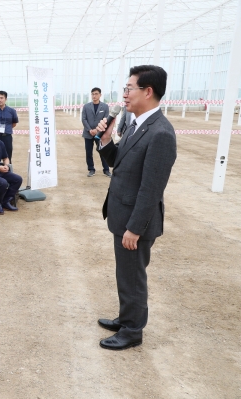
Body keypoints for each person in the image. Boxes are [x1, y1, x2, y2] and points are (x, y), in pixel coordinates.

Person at [95, 65, 177, 351]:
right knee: (125, 273)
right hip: (122, 214)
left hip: (135, 222)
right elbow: (120, 161)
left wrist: (134, 228)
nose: (125, 95)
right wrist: (105, 141)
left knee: (133, 276)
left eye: (129, 88)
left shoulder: (161, 133)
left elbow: (151, 189)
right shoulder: (136, 122)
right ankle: (126, 317)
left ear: (148, 91)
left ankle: (132, 331)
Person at [81, 87, 111, 177]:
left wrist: (96, 130)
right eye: (93, 94)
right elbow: (84, 119)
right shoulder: (86, 106)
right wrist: (90, 129)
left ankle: (106, 170)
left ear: (100, 95)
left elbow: (105, 119)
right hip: (88, 133)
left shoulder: (105, 107)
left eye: (96, 94)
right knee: (88, 152)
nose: (94, 96)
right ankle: (91, 169)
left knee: (103, 151)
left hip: (100, 133)